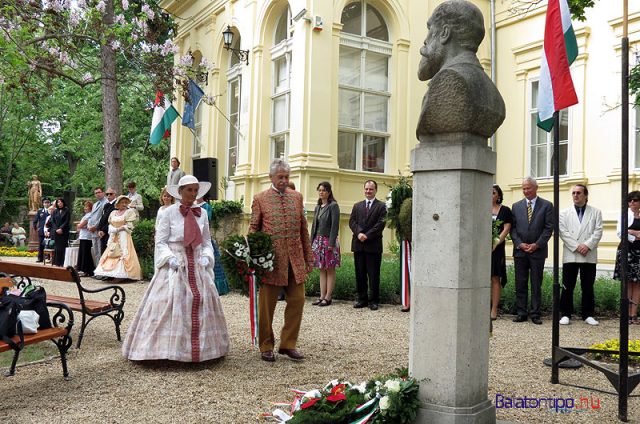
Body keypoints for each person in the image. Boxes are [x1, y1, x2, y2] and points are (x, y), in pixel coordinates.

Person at [122, 175, 229, 362]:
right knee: (169, 301)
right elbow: (161, 241)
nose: (193, 194)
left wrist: (206, 257)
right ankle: (165, 351)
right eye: (189, 190)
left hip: (197, 263)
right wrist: (169, 258)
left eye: (196, 190)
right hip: (176, 263)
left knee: (202, 299)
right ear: (180, 192)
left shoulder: (201, 213)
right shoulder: (168, 212)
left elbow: (205, 241)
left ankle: (205, 351)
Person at [249, 159, 313, 362]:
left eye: (287, 177)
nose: (284, 181)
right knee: (267, 306)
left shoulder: (297, 197)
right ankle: (266, 345)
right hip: (271, 262)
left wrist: (308, 258)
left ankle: (288, 344)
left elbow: (304, 230)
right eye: (281, 177)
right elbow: (253, 229)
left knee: (298, 300)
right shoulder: (260, 198)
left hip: (295, 259)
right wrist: (253, 258)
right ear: (271, 177)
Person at [416, 0, 504, 139]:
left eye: (430, 29)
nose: (425, 41)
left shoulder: (451, 82)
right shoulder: (493, 94)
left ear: (445, 33)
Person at [510, 177, 553, 325]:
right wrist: (519, 243)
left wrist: (537, 244)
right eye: (524, 188)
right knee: (520, 283)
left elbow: (548, 228)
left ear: (536, 188)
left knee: (536, 283)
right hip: (520, 251)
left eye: (528, 188)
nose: (526, 191)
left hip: (537, 252)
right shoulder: (516, 206)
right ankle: (521, 312)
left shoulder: (547, 205)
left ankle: (535, 313)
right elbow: (513, 229)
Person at [559, 184, 603, 326]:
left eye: (579, 193)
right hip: (571, 253)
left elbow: (598, 231)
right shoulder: (564, 213)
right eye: (573, 193)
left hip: (588, 254)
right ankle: (565, 313)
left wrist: (587, 245)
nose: (576, 195)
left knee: (588, 286)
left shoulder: (596, 212)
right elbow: (563, 232)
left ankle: (588, 314)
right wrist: (577, 246)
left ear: (585, 195)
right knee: (567, 285)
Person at [349, 180, 387, 311]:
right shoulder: (357, 206)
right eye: (366, 189)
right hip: (359, 245)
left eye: (371, 189)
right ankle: (362, 299)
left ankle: (374, 301)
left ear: (376, 190)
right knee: (360, 274)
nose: (368, 191)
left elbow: (380, 224)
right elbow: (352, 222)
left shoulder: (382, 206)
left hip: (373, 246)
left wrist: (367, 235)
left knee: (373, 274)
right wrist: (359, 233)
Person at [94, 195, 142, 280]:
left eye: (125, 203)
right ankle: (110, 274)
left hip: (123, 236)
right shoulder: (113, 213)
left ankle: (123, 275)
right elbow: (110, 224)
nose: (124, 204)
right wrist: (114, 229)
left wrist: (120, 228)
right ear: (118, 204)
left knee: (123, 252)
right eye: (122, 202)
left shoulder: (129, 212)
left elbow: (130, 225)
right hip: (113, 236)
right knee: (111, 252)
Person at [310, 182, 341, 307]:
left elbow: (335, 225)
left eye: (323, 190)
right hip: (318, 241)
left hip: (329, 241)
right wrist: (311, 242)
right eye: (319, 190)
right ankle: (321, 296)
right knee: (321, 268)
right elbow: (313, 226)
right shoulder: (318, 207)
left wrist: (331, 243)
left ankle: (328, 297)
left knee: (330, 268)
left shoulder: (333, 206)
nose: (321, 192)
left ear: (328, 192)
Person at [614, 191, 640, 323]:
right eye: (629, 201)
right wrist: (636, 234)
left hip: (639, 253)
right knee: (628, 282)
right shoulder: (624, 214)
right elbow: (620, 232)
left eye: (635, 200)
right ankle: (626, 315)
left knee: (638, 284)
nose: (632, 203)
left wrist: (631, 231)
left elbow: (627, 230)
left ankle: (633, 315)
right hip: (627, 250)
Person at [490, 184, 512, 320]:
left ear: (498, 196)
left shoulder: (505, 210)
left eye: (493, 193)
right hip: (481, 249)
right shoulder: (480, 208)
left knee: (495, 278)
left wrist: (496, 242)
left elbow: (506, 228)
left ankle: (494, 310)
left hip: (496, 249)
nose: (490, 195)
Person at [76, 201, 96, 277]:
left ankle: (87, 270)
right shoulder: (86, 215)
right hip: (83, 236)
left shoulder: (89, 215)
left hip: (86, 237)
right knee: (83, 253)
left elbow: (80, 225)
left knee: (85, 253)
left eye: (86, 206)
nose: (85, 208)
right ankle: (85, 269)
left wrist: (79, 225)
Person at [88, 187, 107, 266]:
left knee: (100, 251)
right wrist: (89, 225)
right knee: (95, 252)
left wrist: (95, 226)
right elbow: (91, 216)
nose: (97, 194)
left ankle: (101, 270)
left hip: (99, 230)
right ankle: (97, 269)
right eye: (96, 193)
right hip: (92, 231)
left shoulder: (106, 202)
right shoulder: (95, 204)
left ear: (103, 193)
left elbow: (102, 217)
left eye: (99, 192)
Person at [50, 197, 71, 267]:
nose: (59, 203)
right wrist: (56, 229)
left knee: (63, 246)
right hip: (56, 232)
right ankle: (57, 262)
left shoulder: (67, 210)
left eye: (61, 202)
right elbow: (52, 221)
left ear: (63, 203)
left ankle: (63, 262)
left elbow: (67, 221)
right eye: (58, 202)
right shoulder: (55, 211)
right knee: (57, 247)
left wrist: (61, 228)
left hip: (64, 232)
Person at [97, 188, 118, 256]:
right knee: (103, 252)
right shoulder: (106, 205)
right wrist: (99, 229)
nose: (109, 195)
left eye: (111, 194)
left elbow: (112, 220)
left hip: (110, 232)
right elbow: (102, 218)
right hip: (102, 233)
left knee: (109, 251)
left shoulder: (116, 205)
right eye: (107, 194)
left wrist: (104, 230)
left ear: (115, 194)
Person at [33, 197, 51, 261]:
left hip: (49, 230)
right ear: (43, 204)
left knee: (49, 244)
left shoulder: (52, 211)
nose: (47, 204)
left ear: (50, 203)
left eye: (48, 202)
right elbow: (35, 220)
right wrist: (36, 228)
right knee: (41, 244)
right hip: (41, 230)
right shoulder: (40, 211)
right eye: (45, 202)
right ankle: (40, 258)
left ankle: (49, 258)